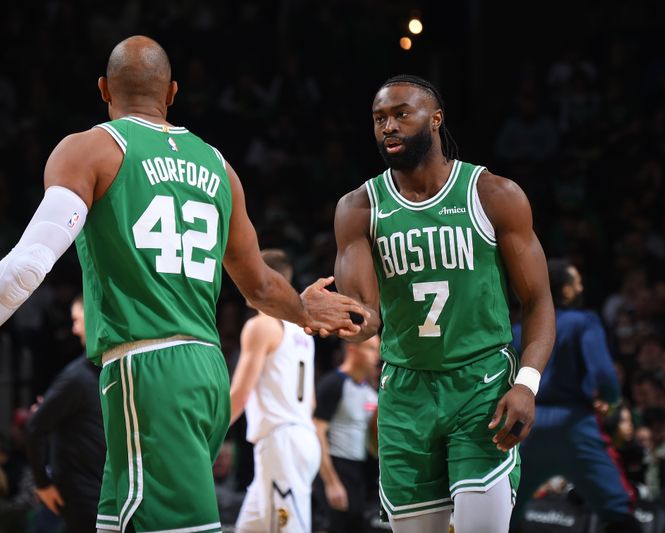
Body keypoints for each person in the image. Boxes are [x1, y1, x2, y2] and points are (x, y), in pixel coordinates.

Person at [0, 35, 365, 533]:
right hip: (207, 368)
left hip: (148, 369)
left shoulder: (89, 149)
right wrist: (303, 310)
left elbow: (25, 268)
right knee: (120, 522)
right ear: (171, 93)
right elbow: (258, 284)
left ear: (104, 89)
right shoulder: (218, 166)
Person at [333, 74, 555, 533]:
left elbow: (537, 302)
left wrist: (528, 384)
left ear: (435, 119)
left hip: (481, 384)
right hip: (405, 390)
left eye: (400, 114)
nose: (388, 127)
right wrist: (330, 314)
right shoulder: (358, 207)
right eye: (379, 119)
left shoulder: (493, 194)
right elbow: (366, 316)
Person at [510, 259, 641, 533]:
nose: (581, 287)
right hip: (574, 425)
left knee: (507, 509)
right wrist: (610, 399)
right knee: (618, 508)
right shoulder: (583, 323)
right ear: (567, 291)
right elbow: (605, 375)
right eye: (577, 282)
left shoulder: (518, 330)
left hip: (527, 427)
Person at [229, 249, 321, 533]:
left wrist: (206, 436)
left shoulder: (261, 326)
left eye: (248, 273)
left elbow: (240, 394)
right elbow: (312, 402)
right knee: (249, 528)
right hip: (299, 438)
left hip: (282, 443)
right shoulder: (301, 329)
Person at [24, 294, 104, 533]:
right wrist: (42, 483)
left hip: (110, 489)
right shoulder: (76, 378)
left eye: (77, 320)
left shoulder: (115, 371)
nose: (75, 329)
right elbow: (35, 426)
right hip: (83, 494)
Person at [313, 335, 380, 533]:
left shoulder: (370, 393)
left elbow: (373, 444)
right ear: (352, 349)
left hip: (358, 473)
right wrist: (331, 483)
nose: (376, 356)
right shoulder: (333, 384)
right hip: (335, 468)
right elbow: (317, 432)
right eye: (371, 349)